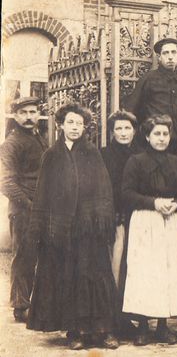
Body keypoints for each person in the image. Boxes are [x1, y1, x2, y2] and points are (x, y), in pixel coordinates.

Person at [27, 103, 118, 350]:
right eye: (70, 122)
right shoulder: (52, 156)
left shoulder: (92, 153)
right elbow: (43, 193)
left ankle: (103, 329)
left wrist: (99, 219)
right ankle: (75, 330)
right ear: (60, 126)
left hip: (89, 229)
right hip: (62, 230)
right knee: (69, 277)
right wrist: (45, 226)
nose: (75, 127)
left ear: (85, 127)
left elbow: (103, 189)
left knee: (95, 276)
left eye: (79, 123)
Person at [121, 114, 177, 345]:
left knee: (169, 270)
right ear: (147, 136)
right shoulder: (136, 161)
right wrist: (153, 203)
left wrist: (176, 204)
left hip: (172, 221)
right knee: (145, 271)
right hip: (146, 220)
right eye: (157, 134)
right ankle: (143, 326)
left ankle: (163, 326)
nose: (162, 138)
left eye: (165, 134)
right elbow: (126, 193)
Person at [0, 96, 48, 323]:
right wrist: (30, 205)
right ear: (16, 115)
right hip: (23, 210)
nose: (29, 117)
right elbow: (6, 183)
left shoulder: (37, 137)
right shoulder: (12, 143)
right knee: (24, 257)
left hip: (40, 208)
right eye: (24, 113)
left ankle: (38, 303)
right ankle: (21, 306)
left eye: (33, 112)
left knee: (40, 255)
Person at [100, 110, 142, 336]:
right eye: (119, 129)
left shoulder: (141, 154)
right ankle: (112, 319)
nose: (124, 133)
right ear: (112, 132)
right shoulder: (104, 155)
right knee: (115, 267)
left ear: (134, 131)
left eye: (128, 128)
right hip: (116, 218)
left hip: (138, 218)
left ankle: (128, 318)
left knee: (133, 268)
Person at [122, 37, 177, 153]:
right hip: (155, 140)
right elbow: (132, 108)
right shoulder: (149, 79)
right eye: (165, 53)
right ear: (159, 57)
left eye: (173, 52)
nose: (170, 56)